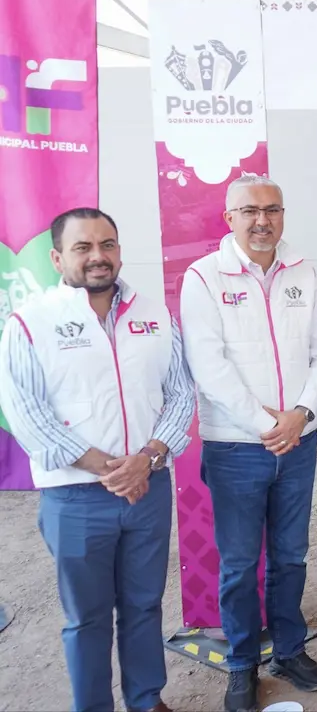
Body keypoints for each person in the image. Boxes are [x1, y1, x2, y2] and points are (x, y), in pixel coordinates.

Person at [0, 208, 194, 712]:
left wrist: (149, 458)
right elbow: (25, 412)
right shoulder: (30, 323)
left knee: (143, 605)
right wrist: (109, 467)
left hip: (147, 489)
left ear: (119, 250)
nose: (97, 257)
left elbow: (181, 394)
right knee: (85, 616)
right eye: (83, 248)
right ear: (57, 257)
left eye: (107, 244)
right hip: (76, 497)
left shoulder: (154, 315)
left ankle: (146, 699)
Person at [179, 175, 317, 712]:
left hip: (299, 442)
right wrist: (264, 423)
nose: (261, 220)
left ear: (283, 214)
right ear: (230, 218)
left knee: (291, 556)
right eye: (249, 211)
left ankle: (289, 650)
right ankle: (243, 663)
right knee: (240, 564)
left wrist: (301, 414)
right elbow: (207, 364)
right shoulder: (203, 277)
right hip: (236, 447)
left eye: (272, 209)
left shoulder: (305, 272)